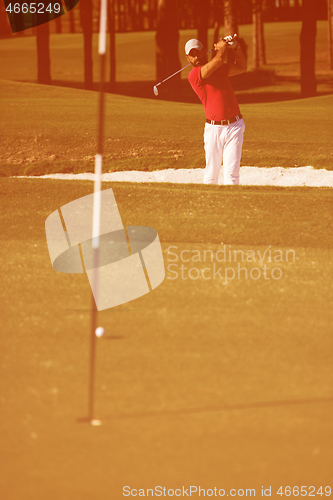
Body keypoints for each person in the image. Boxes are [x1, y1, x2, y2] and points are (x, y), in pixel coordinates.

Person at [185, 36, 247, 185]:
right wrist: (223, 46)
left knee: (232, 175)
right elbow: (218, 60)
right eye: (191, 55)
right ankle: (209, 208)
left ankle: (231, 208)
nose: (195, 57)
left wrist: (236, 47)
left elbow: (242, 67)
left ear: (204, 52)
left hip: (234, 126)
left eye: (198, 52)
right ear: (188, 58)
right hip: (213, 130)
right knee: (211, 175)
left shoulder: (221, 69)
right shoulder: (194, 75)